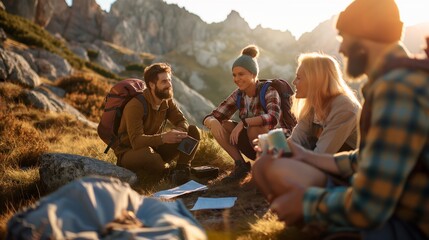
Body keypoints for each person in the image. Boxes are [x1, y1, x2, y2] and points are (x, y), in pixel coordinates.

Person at [252, 0, 429, 239]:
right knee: (268, 165)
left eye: (344, 38)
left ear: (364, 38)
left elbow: (370, 206)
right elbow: (365, 160)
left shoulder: (395, 90)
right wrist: (304, 155)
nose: (343, 49)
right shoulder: (393, 82)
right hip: (386, 201)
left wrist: (306, 203)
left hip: (408, 222)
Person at [203, 45, 287, 182]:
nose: (237, 79)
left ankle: (267, 171)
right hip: (254, 144)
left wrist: (244, 122)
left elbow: (273, 118)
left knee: (254, 127)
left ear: (253, 74)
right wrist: (212, 121)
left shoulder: (269, 90)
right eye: (234, 75)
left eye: (241, 74)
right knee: (224, 124)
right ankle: (241, 166)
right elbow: (213, 115)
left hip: (277, 148)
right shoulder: (239, 95)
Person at [114, 62, 200, 185]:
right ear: (152, 85)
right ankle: (166, 172)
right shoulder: (135, 105)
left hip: (155, 147)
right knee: (149, 155)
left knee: (193, 131)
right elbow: (136, 141)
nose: (169, 85)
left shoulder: (167, 101)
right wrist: (163, 138)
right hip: (130, 152)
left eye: (169, 80)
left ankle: (181, 169)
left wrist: (180, 131)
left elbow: (182, 121)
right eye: (164, 81)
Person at [290, 52, 361, 154]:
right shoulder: (313, 106)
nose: (294, 82)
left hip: (349, 168)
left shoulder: (344, 108)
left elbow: (322, 154)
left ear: (314, 81)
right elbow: (296, 140)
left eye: (299, 78)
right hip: (323, 163)